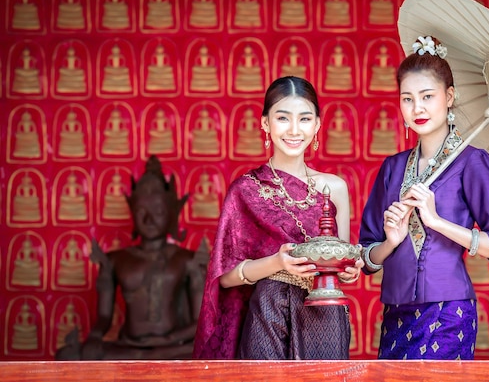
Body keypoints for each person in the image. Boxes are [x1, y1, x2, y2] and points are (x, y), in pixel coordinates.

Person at [359, 35, 489, 360]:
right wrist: (391, 242)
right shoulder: (392, 169)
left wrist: (437, 222)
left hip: (449, 314)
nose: (416, 108)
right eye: (407, 98)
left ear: (449, 97)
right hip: (396, 313)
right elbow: (365, 258)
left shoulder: (472, 162)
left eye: (427, 96)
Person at [193, 76, 363, 360]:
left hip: (325, 310)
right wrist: (276, 263)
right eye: (283, 118)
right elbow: (224, 278)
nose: (294, 130)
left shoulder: (334, 187)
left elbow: (340, 262)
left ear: (318, 125)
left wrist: (349, 269)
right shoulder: (246, 189)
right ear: (265, 124)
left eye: (305, 119)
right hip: (268, 309)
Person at [55, 155, 209, 360]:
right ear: (132, 214)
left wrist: (165, 340)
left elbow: (201, 321)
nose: (149, 219)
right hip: (128, 345)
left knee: (212, 351)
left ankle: (148, 356)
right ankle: (143, 356)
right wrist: (94, 338)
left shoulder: (188, 260)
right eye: (141, 211)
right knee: (69, 355)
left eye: (158, 211)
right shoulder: (114, 260)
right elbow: (104, 317)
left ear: (172, 214)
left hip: (174, 346)